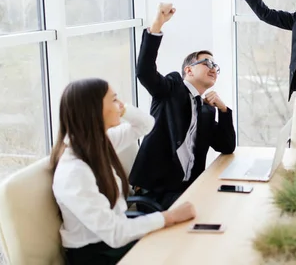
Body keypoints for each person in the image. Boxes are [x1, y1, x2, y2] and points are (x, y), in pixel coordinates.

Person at [51, 78, 196, 265]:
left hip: (115, 237)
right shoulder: (74, 172)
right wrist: (169, 217)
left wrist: (124, 109)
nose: (120, 105)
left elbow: (146, 125)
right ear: (94, 110)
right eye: (113, 100)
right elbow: (115, 234)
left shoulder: (100, 142)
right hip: (97, 254)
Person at [129, 3, 236, 210]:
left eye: (216, 66)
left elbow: (226, 146)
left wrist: (223, 111)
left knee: (228, 204)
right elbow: (144, 71)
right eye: (208, 63)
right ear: (189, 70)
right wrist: (157, 25)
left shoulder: (205, 109)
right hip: (157, 193)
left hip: (186, 189)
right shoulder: (171, 87)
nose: (214, 69)